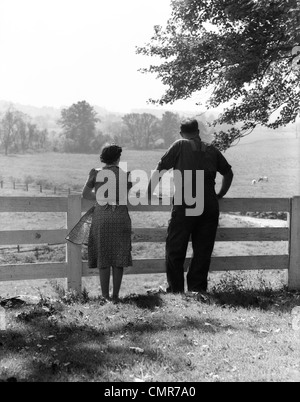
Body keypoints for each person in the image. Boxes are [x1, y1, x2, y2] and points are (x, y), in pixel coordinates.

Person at [147, 119, 233, 298]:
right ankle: (197, 289)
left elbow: (161, 168)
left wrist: (149, 191)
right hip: (209, 205)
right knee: (203, 250)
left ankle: (176, 290)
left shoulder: (180, 145)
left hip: (186, 203)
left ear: (181, 133)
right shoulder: (211, 149)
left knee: (175, 248)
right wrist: (220, 194)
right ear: (198, 131)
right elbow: (228, 173)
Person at [67, 144, 132, 301]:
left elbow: (85, 194)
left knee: (103, 255)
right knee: (119, 256)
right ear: (118, 158)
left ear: (103, 157)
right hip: (120, 216)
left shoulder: (96, 173)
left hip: (102, 215)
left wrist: (102, 197)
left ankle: (104, 296)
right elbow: (124, 196)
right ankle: (115, 295)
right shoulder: (125, 174)